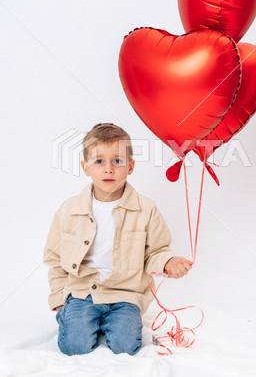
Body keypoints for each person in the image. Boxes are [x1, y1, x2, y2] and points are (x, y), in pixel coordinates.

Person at [43, 122, 193, 356]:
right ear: (86, 167)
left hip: (125, 294)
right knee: (74, 346)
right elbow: (54, 258)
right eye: (99, 161)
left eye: (118, 161)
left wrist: (168, 263)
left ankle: (113, 322)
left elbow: (157, 250)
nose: (109, 169)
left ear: (130, 166)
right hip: (83, 292)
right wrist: (60, 299)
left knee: (125, 346)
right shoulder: (70, 209)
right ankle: (76, 317)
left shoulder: (146, 208)